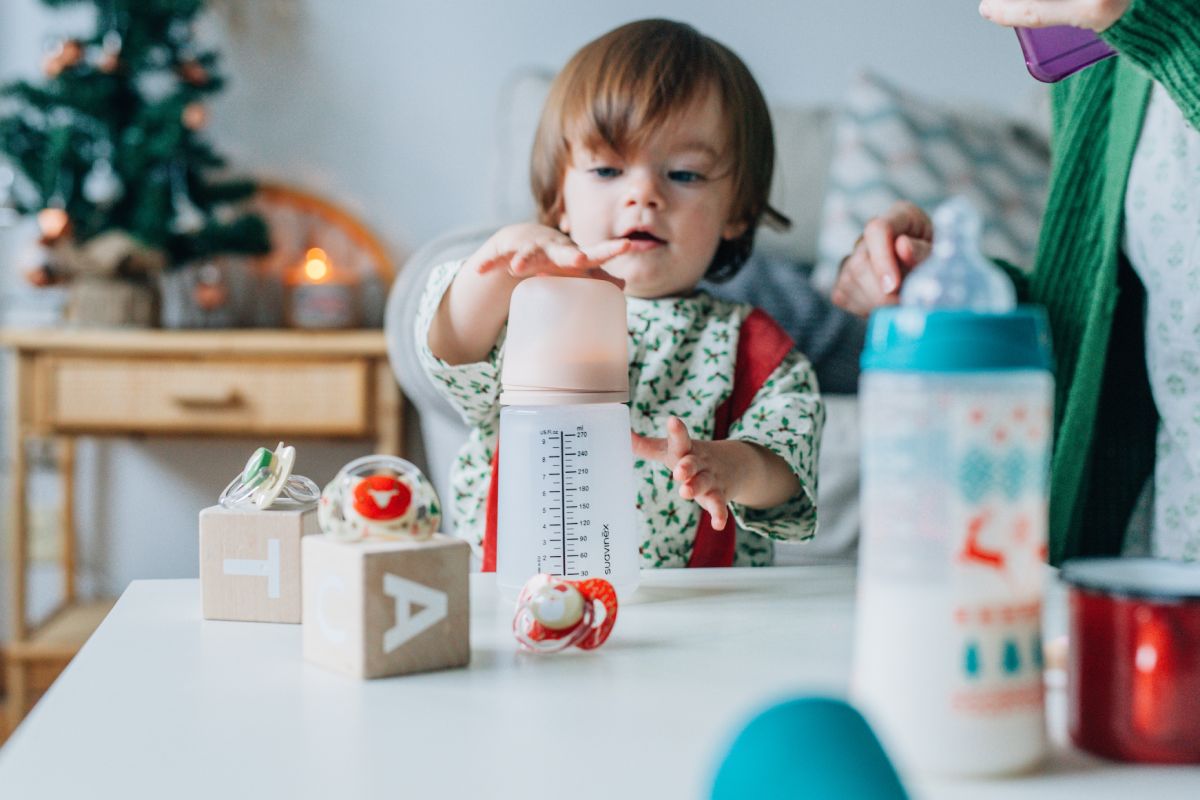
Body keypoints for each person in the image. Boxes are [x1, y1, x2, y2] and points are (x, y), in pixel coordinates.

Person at [416, 19, 823, 569]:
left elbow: (786, 464)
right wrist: (496, 267)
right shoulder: (529, 306)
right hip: (519, 597)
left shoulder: (751, 345)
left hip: (699, 613)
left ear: (738, 210)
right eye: (608, 168)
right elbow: (451, 349)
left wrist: (730, 466)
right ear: (558, 197)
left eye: (683, 174)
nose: (644, 195)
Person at [832, 0, 1200, 563]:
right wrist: (952, 290)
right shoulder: (1096, 53)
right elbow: (1097, 324)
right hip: (1170, 543)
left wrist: (1160, 27)